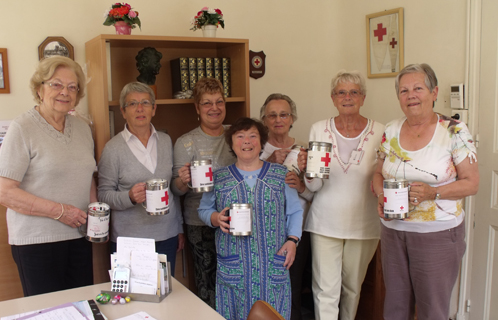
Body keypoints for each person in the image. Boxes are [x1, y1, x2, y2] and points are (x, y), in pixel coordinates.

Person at [372, 63, 479, 320]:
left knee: (433, 309)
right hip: (394, 233)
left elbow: (471, 183)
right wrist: (380, 195)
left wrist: (434, 193)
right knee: (395, 308)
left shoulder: (454, 131)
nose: (411, 95)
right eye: (404, 90)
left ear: (434, 92)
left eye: (418, 88)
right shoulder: (391, 130)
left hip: (438, 235)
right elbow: (377, 174)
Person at [0, 56, 96, 296]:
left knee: (82, 306)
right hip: (36, 242)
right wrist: (60, 211)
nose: (65, 92)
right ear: (39, 89)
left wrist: (95, 214)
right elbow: (4, 191)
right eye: (56, 84)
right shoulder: (22, 128)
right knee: (49, 312)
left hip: (79, 236)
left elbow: (88, 177)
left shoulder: (83, 128)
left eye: (72, 87)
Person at [198, 117, 303, 320]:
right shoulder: (218, 178)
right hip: (235, 267)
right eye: (240, 136)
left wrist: (293, 241)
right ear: (232, 143)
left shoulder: (281, 175)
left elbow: (295, 211)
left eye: (253, 136)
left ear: (261, 142)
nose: (247, 141)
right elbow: (203, 209)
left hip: (272, 264)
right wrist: (215, 218)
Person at [305, 70, 384, 320]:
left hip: (364, 223)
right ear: (333, 98)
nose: (347, 97)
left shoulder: (381, 132)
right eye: (341, 92)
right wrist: (307, 172)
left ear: (362, 97)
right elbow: (314, 185)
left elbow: (385, 174)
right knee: (325, 291)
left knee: (352, 288)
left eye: (354, 92)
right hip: (325, 222)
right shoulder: (319, 129)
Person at [98, 82, 184, 275]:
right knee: (131, 300)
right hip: (130, 241)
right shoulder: (113, 149)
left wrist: (179, 228)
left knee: (164, 297)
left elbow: (172, 190)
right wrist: (129, 197)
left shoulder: (166, 141)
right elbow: (103, 195)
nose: (139, 108)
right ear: (123, 111)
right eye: (132, 104)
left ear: (154, 109)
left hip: (166, 235)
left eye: (145, 102)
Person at [173, 77, 236, 308]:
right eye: (207, 103)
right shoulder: (185, 142)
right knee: (207, 282)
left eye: (219, 102)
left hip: (234, 219)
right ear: (197, 108)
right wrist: (183, 180)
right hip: (200, 224)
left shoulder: (237, 135)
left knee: (235, 281)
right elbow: (175, 191)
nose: (215, 108)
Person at [259, 93, 313, 320]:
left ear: (292, 119)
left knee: (292, 289)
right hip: (264, 231)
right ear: (264, 120)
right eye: (272, 115)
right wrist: (268, 163)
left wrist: (301, 186)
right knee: (264, 289)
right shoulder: (255, 148)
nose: (278, 119)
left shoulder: (304, 151)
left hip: (295, 232)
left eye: (284, 114)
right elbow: (247, 189)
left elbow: (315, 194)